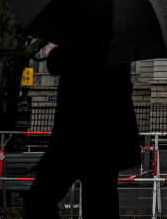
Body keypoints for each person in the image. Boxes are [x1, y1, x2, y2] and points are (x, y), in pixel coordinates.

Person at [24, 40, 139, 219]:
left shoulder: (87, 28)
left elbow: (72, 64)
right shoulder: (119, 33)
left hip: (78, 134)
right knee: (100, 205)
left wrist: (52, 51)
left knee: (39, 200)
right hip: (107, 136)